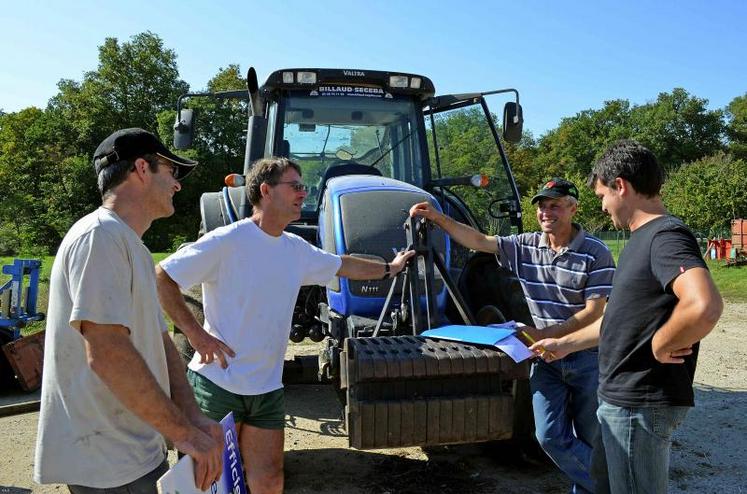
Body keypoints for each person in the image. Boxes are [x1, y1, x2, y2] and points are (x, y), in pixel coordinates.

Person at [155, 156, 414, 494]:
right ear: (265, 190)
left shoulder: (295, 249)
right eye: (295, 186)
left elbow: (342, 265)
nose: (303, 193)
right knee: (207, 482)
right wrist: (196, 335)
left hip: (267, 389)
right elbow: (163, 277)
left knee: (270, 480)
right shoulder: (227, 241)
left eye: (303, 186)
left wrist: (390, 268)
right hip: (218, 384)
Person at [33, 129, 225, 493]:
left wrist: (193, 418)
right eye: (171, 172)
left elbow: (161, 342)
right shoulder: (99, 238)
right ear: (141, 168)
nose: (177, 185)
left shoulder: (127, 242)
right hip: (107, 461)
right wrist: (184, 434)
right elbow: (107, 353)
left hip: (131, 448)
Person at [531, 140, 723, 494]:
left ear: (621, 186)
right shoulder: (638, 238)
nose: (603, 207)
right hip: (619, 400)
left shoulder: (665, 235)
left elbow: (703, 305)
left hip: (640, 405)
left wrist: (664, 341)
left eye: (603, 195)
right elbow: (620, 319)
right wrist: (564, 343)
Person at [410, 177, 615, 493]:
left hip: (585, 355)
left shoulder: (595, 252)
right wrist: (439, 218)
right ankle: (615, 485)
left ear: (573, 208)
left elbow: (594, 313)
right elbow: (478, 240)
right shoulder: (526, 246)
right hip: (545, 358)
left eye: (555, 206)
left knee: (590, 438)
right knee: (548, 436)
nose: (546, 212)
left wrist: (547, 335)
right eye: (542, 206)